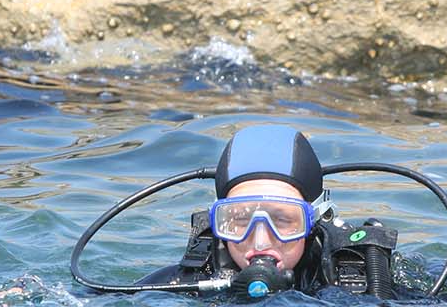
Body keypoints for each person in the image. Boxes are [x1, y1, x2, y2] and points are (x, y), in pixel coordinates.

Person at [127, 124, 403, 297]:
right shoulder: (185, 284)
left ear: (314, 222)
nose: (260, 242)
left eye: (283, 220)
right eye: (239, 220)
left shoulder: (363, 285)